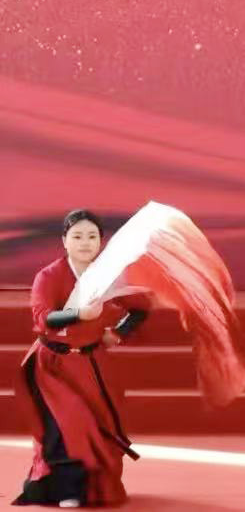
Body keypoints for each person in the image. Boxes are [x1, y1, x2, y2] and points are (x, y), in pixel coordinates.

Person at [13, 210, 149, 508]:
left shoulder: (109, 275)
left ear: (101, 241)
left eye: (92, 236)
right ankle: (67, 490)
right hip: (52, 366)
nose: (85, 242)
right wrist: (79, 314)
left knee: (97, 429)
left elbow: (140, 307)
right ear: (64, 241)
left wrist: (119, 332)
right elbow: (43, 317)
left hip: (91, 365)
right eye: (77, 236)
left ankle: (93, 489)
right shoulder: (49, 276)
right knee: (66, 426)